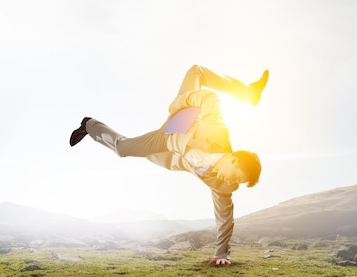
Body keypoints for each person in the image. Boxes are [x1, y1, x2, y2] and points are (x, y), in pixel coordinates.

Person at [69, 65, 269, 265]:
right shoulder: (216, 131)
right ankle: (248, 93)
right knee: (196, 71)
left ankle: (88, 124)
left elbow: (225, 218)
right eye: (235, 175)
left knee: (124, 149)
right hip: (179, 123)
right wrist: (180, 102)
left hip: (169, 151)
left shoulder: (221, 184)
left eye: (236, 182)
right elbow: (210, 99)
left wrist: (221, 254)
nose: (231, 181)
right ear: (233, 159)